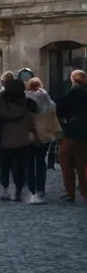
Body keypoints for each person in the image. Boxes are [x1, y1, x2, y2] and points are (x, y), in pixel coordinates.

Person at [0, 78, 36, 203]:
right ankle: (18, 191)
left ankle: (5, 190)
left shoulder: (0, 104)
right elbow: (31, 123)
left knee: (5, 165)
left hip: (5, 139)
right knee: (20, 167)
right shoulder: (27, 104)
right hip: (22, 139)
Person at [25, 78, 59, 205]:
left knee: (29, 164)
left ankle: (31, 189)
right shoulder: (48, 101)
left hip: (29, 136)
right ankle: (40, 189)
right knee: (40, 163)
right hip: (44, 137)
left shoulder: (26, 100)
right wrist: (54, 133)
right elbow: (53, 117)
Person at [57, 70, 87, 202]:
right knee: (83, 165)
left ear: (73, 79)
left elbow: (61, 111)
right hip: (85, 135)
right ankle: (85, 192)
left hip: (72, 133)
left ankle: (70, 192)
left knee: (66, 162)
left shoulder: (71, 93)